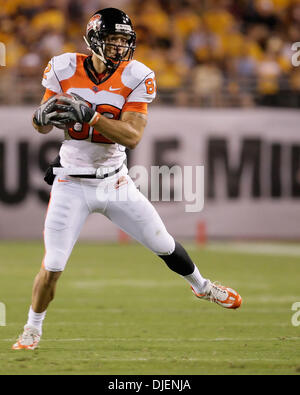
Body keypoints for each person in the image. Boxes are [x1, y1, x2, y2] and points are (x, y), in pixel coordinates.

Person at [12, 8, 242, 351]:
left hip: (116, 182)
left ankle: (202, 287)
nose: (119, 47)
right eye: (112, 40)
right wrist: (40, 117)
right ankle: (32, 328)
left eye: (123, 41)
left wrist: (89, 116)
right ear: (93, 40)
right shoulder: (63, 67)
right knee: (54, 263)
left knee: (163, 243)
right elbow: (43, 124)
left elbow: (132, 136)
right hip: (71, 183)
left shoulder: (137, 75)